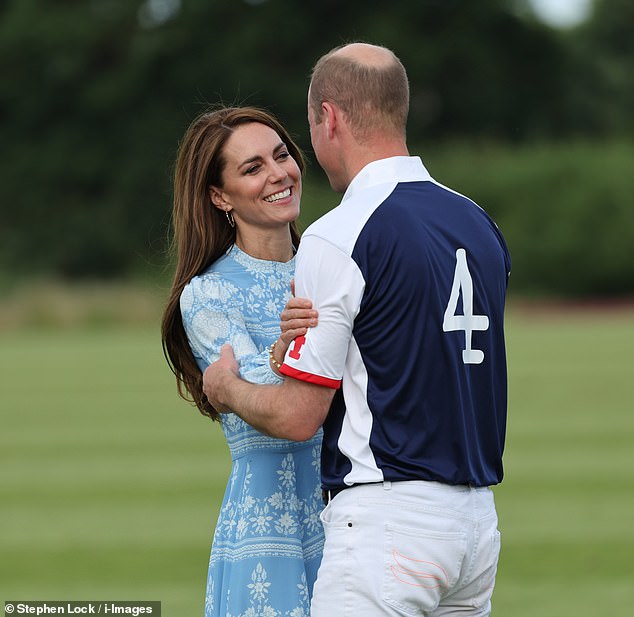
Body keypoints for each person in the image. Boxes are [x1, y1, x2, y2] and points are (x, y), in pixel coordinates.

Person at [203, 43, 511, 617]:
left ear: (330, 118)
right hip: (476, 529)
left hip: (388, 526)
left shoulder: (338, 233)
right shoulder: (477, 221)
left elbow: (299, 416)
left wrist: (226, 389)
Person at [160, 106, 324, 617]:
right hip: (264, 528)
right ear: (219, 195)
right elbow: (264, 405)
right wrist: (282, 352)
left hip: (352, 513)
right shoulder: (207, 294)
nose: (277, 174)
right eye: (252, 168)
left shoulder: (337, 262)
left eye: (281, 156)